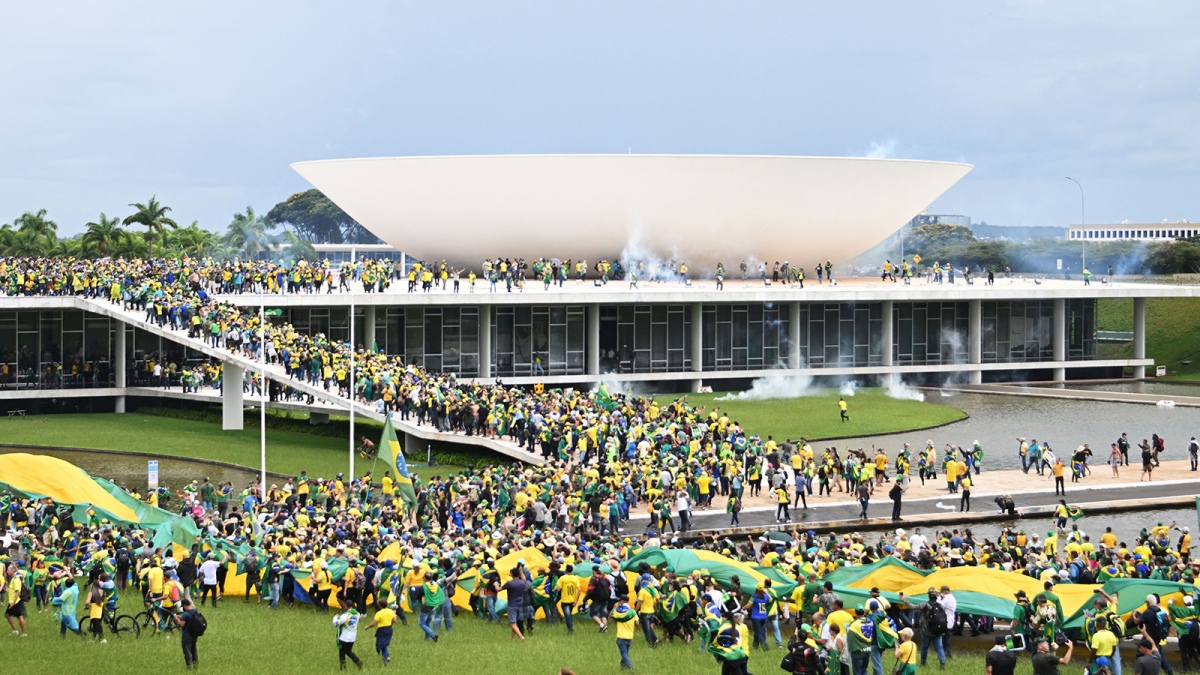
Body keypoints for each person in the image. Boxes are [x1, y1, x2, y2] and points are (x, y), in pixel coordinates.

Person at [174, 598, 205, 670]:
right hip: (194, 635)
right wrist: (181, 618)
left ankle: (189, 667)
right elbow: (189, 621)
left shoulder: (186, 614)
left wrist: (177, 619)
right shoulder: (195, 611)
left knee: (187, 651)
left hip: (186, 635)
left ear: (185, 606)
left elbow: (181, 624)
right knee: (194, 651)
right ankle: (196, 666)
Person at [612, 593, 637, 671]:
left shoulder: (618, 612)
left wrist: (615, 607)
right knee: (626, 653)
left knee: (624, 654)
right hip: (630, 637)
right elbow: (637, 622)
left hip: (621, 637)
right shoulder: (632, 611)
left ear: (621, 601)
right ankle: (622, 667)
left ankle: (631, 668)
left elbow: (611, 616)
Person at [5, 563, 27, 637]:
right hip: (12, 601)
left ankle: (24, 633)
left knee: (19, 616)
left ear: (12, 571)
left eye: (8, 570)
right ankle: (15, 630)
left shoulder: (16, 579)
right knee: (7, 614)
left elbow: (18, 591)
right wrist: (8, 590)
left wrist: (13, 603)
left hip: (15, 601)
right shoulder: (13, 579)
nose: (7, 571)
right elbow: (14, 589)